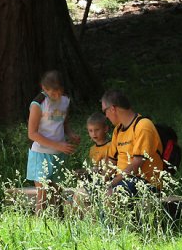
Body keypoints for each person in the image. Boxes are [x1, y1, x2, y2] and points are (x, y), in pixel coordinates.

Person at [26, 70, 80, 214]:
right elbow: (32, 134)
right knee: (42, 195)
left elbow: (63, 122)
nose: (56, 96)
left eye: (59, 92)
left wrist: (70, 134)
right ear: (44, 88)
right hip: (40, 153)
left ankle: (59, 224)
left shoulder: (65, 100)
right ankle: (38, 228)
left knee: (57, 193)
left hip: (59, 154)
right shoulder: (38, 104)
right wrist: (58, 145)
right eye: (53, 93)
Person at [101, 90, 164, 196]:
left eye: (105, 111)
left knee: (110, 196)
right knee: (81, 194)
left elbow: (135, 166)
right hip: (122, 181)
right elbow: (111, 162)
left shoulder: (143, 125)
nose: (106, 116)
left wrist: (111, 184)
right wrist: (99, 181)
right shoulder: (118, 130)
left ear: (113, 109)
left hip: (145, 183)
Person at [86, 112, 116, 177]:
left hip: (109, 177)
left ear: (105, 129)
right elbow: (93, 165)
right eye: (90, 131)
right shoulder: (92, 149)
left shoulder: (111, 146)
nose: (94, 133)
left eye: (97, 130)